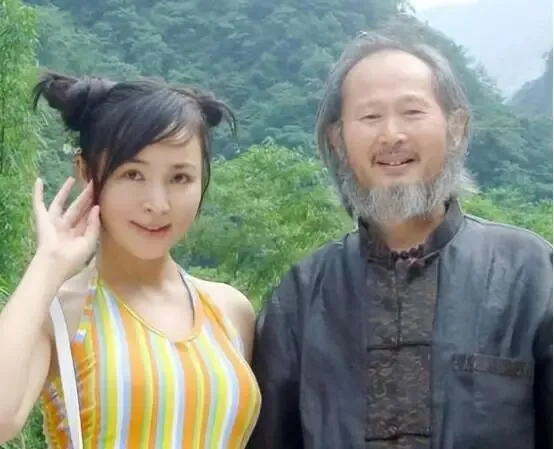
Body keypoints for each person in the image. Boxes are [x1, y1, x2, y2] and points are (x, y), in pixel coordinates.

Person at [247, 32, 552, 449]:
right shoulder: (301, 295)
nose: (391, 135)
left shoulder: (530, 273)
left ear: (456, 127)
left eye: (412, 112)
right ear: (338, 139)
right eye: (370, 116)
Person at [0, 72, 261, 448]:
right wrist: (48, 265)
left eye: (180, 178)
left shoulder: (230, 312)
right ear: (87, 173)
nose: (158, 203)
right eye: (133, 174)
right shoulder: (60, 315)